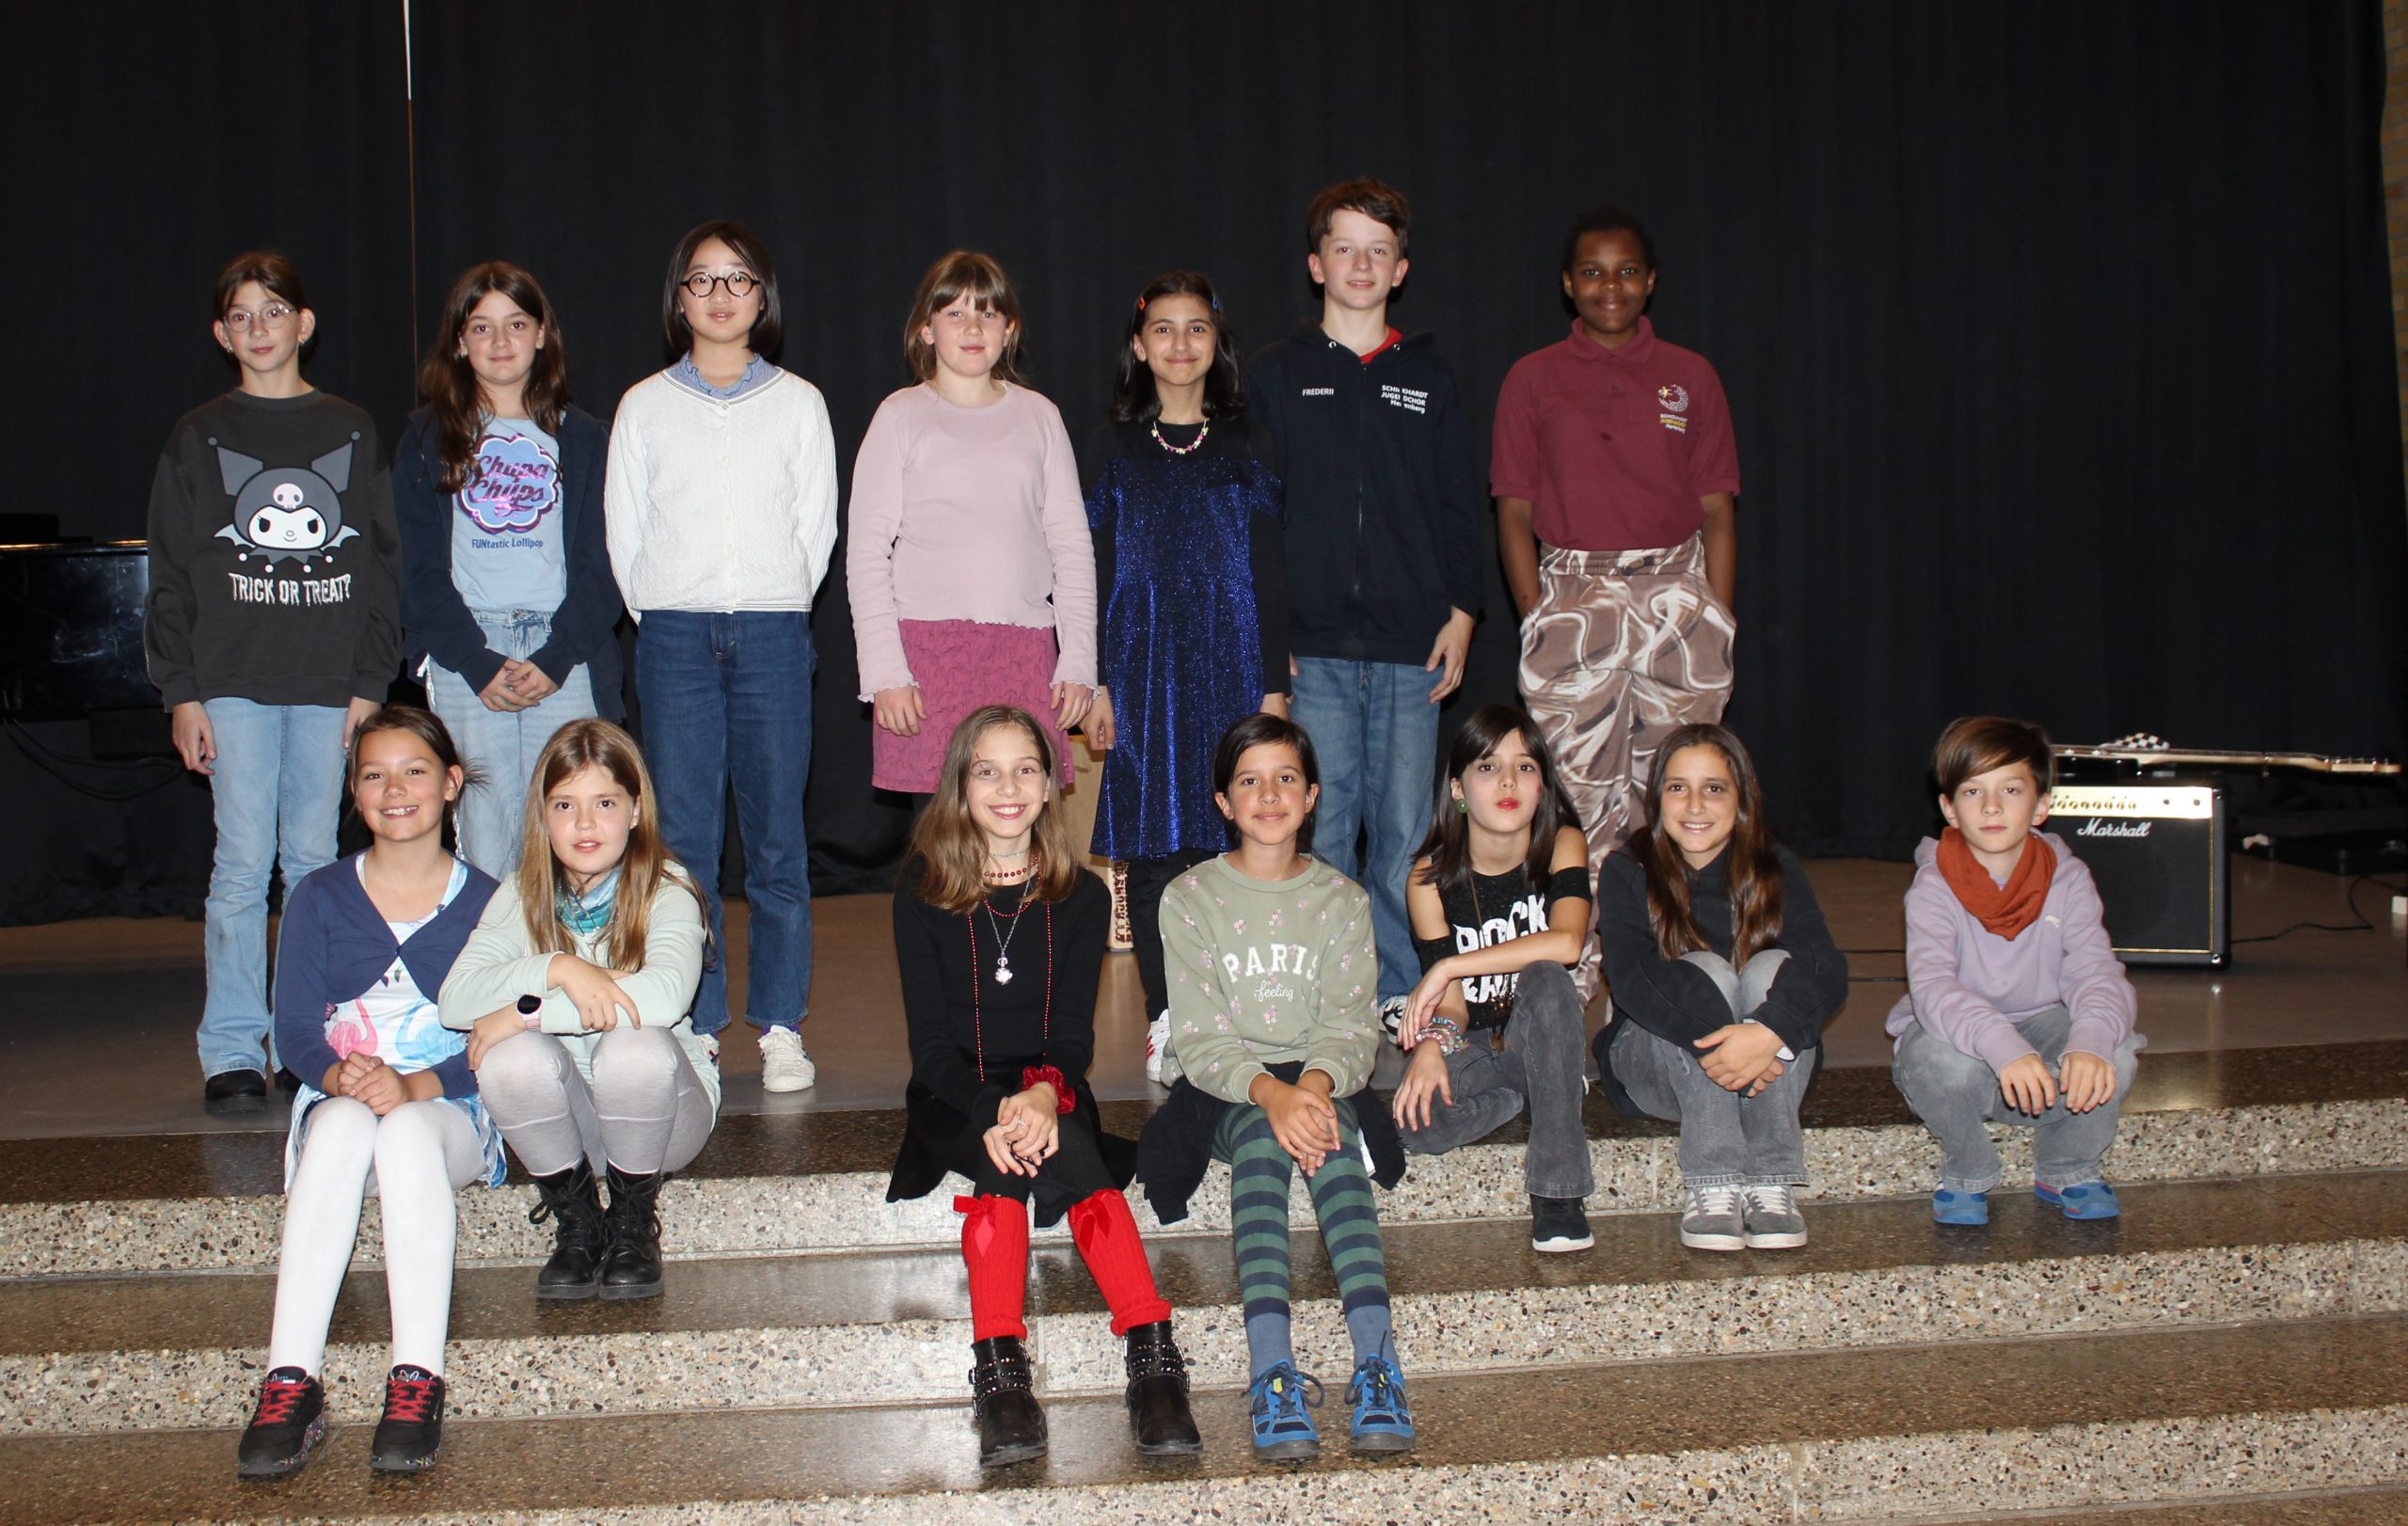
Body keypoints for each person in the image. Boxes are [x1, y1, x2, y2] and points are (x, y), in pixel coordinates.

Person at [886, 706, 1198, 1468]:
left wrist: (1041, 1094)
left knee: (1067, 1145)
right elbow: (930, 1050)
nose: (1008, 788)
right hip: (957, 1092)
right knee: (1008, 1156)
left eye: (1025, 769)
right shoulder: (922, 889)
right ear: (960, 785)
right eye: (987, 771)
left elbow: (1070, 1038)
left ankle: (1149, 1360)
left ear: (1052, 783)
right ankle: (1004, 1371)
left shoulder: (1082, 897)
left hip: (1046, 1082)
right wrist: (994, 1108)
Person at [145, 249, 401, 1114]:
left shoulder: (352, 429)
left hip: (331, 685)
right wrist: (181, 691)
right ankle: (230, 1049)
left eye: (275, 311)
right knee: (241, 865)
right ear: (222, 334)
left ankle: (305, 1042)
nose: (259, 328)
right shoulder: (198, 435)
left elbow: (382, 568)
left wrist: (371, 680)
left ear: (305, 324)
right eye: (242, 316)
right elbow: (170, 575)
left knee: (316, 863)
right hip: (233, 684)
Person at [1136, 714, 1414, 1460]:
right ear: (1223, 802)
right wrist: (1275, 1095)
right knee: (1266, 1134)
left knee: (1331, 1133)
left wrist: (1311, 1091)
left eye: (1286, 778)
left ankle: (1377, 1362)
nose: (1268, 795)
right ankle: (1272, 1370)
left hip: (1320, 1078)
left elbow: (1350, 1029)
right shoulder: (1189, 897)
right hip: (1227, 1088)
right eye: (1249, 781)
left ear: (1312, 795)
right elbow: (1202, 1040)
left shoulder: (1343, 900)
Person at [236, 707, 501, 1478]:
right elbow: (294, 1032)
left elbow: (503, 1039)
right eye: (374, 775)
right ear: (354, 793)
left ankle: (417, 1380)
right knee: (346, 1124)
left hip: (449, 1107)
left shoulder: (492, 902)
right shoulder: (319, 895)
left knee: (408, 1130)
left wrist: (414, 1084)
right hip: (342, 1102)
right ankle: (290, 1380)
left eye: (415, 771)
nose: (395, 789)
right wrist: (337, 1076)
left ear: (451, 784)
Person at [604, 220, 837, 1093]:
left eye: (738, 279)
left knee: (777, 843)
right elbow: (625, 533)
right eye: (702, 280)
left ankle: (780, 1026)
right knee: (684, 846)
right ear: (680, 298)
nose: (720, 295)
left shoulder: (800, 403)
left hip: (773, 632)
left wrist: (776, 600)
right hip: (673, 637)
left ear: (761, 295)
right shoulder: (644, 405)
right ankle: (695, 1025)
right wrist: (664, 611)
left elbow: (816, 528)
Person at [1243, 180, 1481, 1027]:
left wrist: (1463, 612)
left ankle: (1397, 992)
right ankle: (1330, 995)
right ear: (1316, 264)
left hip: (1411, 649)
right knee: (1326, 827)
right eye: (1344, 247)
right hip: (1313, 650)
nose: (1361, 263)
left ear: (1401, 269)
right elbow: (1255, 516)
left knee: (1406, 835)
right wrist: (1271, 638)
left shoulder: (1430, 377)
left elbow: (1460, 504)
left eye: (1379, 250)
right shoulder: (1274, 374)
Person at [1492, 206, 1741, 994]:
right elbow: (1514, 510)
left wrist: (1715, 616)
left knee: (1676, 787)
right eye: (1593, 272)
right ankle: (1580, 961)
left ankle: (1668, 957)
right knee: (1578, 792)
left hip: (1677, 595)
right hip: (1575, 593)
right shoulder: (1533, 378)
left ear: (1651, 281)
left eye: (1628, 271)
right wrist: (1538, 610)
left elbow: (1718, 510)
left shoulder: (1690, 375)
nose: (1611, 286)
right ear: (1569, 284)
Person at [1080, 268, 1289, 1083]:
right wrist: (1098, 681)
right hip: (1141, 667)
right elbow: (1093, 569)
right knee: (1154, 849)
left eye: (1195, 328)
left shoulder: (1248, 443)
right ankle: (1169, 1019)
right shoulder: (1112, 448)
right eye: (1162, 329)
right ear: (1139, 345)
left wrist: (1272, 686)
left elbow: (1269, 574)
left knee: (1228, 841)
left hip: (1231, 662)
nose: (1179, 343)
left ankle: (1234, 1016)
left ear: (1216, 342)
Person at [438, 719, 716, 1301]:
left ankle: (632, 1224)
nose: (585, 824)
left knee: (634, 1041)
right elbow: (456, 1000)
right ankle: (579, 1223)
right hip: (572, 1123)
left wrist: (526, 1012)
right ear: (542, 817)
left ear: (635, 811)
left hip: (664, 1120)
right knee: (506, 1058)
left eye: (604, 803)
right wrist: (558, 969)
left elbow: (664, 997)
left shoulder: (668, 887)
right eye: (565, 805)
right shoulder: (523, 892)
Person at [397, 261, 623, 876]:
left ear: (542, 334)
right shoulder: (427, 437)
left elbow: (607, 564)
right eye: (481, 327)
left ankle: (569, 944)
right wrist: (474, 660)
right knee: (488, 827)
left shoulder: (587, 439)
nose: (500, 341)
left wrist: (556, 656)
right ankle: (496, 944)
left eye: (516, 324)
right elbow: (416, 569)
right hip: (470, 646)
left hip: (563, 648)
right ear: (459, 342)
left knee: (575, 823)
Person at [847, 250, 1097, 803]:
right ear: (926, 330)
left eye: (987, 313)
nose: (973, 328)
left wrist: (1078, 661)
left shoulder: (1040, 416)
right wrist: (886, 672)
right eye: (955, 313)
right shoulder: (899, 415)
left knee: (1020, 817)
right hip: (926, 656)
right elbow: (866, 553)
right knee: (941, 828)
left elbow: (1072, 548)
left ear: (1009, 330)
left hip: (1025, 652)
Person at [1592, 723, 1846, 1251]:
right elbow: (1633, 980)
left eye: (1714, 788)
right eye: (1677, 787)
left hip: (1762, 1066)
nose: (1694, 805)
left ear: (1742, 798)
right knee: (1705, 970)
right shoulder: (1627, 869)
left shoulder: (1775, 867)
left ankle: (1771, 1179)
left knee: (1775, 967)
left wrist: (1767, 1033)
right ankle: (1713, 1180)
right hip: (1660, 1069)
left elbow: (1826, 968)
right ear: (1656, 798)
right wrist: (1731, 1042)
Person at [1886, 717, 2146, 1223]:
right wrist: (2006, 1048)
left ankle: (2069, 1166)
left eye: (2010, 789)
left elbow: (2095, 971)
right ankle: (1968, 1169)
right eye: (1972, 791)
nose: (1991, 806)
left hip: (2042, 1023)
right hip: (1960, 1035)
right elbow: (1935, 988)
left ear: (2042, 805)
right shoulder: (1933, 886)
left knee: (2115, 1049)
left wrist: (2089, 1042)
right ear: (1949, 809)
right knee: (1935, 1063)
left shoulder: (2069, 877)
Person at [1390, 704, 1596, 1252]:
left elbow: (1567, 942)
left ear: (1542, 786)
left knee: (1547, 977)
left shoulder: (1562, 845)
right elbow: (1454, 1005)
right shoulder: (1429, 878)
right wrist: (1433, 1045)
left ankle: (1558, 1191)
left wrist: (1451, 964)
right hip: (1480, 1042)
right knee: (1418, 1123)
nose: (1508, 781)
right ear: (1458, 789)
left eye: (1525, 767)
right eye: (1488, 767)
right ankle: (1527, 1095)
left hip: (1540, 1028)